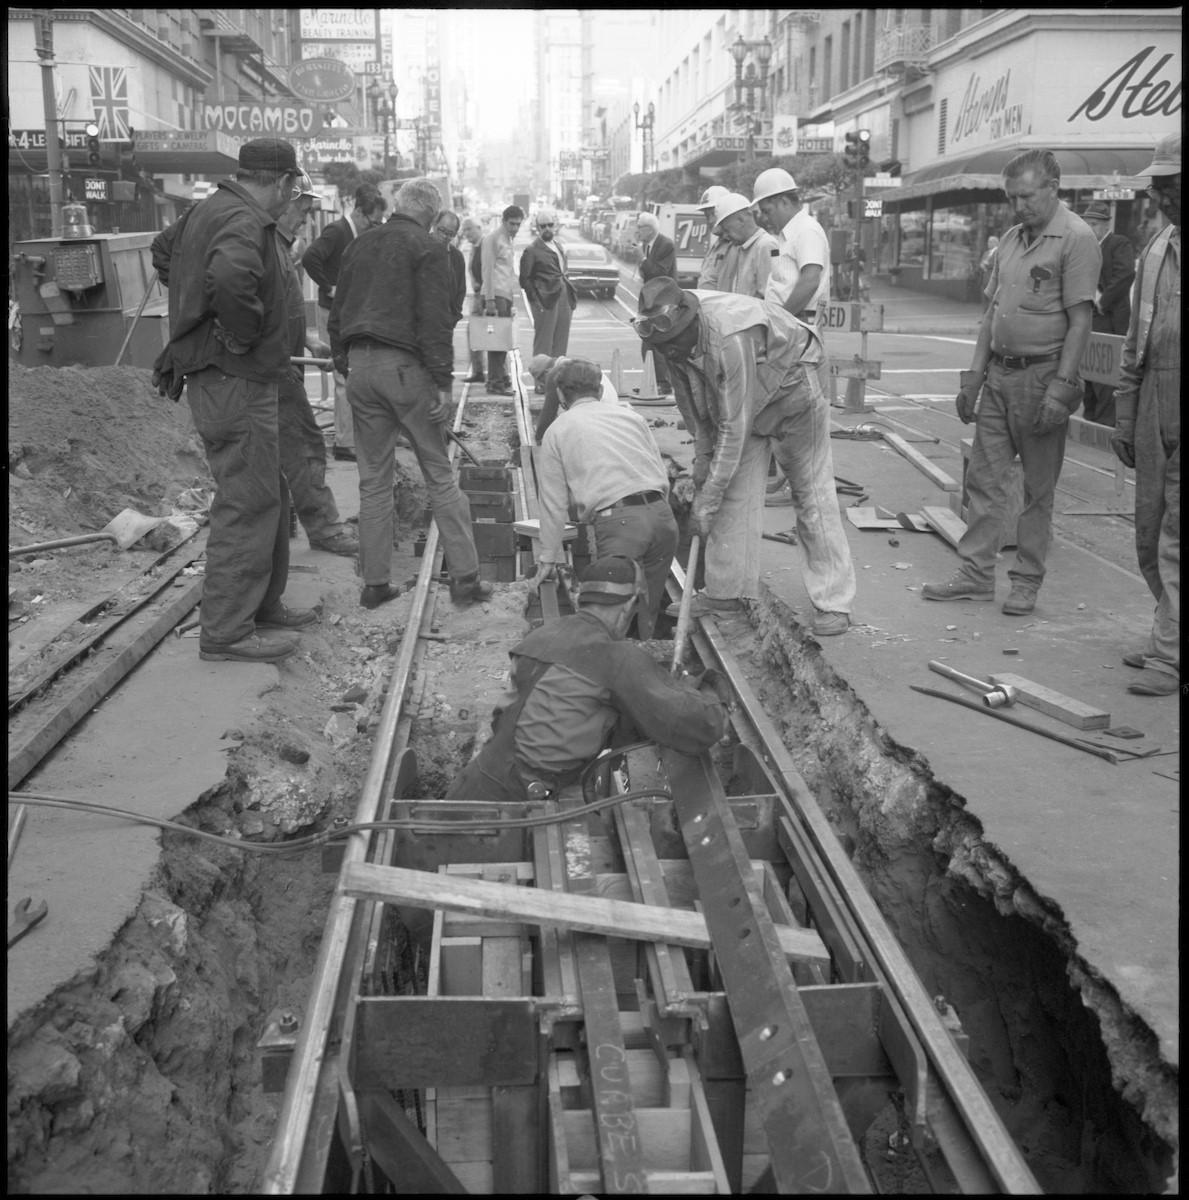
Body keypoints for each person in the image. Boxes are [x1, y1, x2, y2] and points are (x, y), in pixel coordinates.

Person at [152, 138, 315, 663]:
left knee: (268, 493)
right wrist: (236, 332)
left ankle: (259, 609)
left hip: (232, 376)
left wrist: (193, 308)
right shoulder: (244, 220)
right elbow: (228, 277)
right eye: (292, 188)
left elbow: (163, 251)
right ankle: (225, 631)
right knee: (247, 499)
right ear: (285, 182)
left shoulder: (209, 209)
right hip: (233, 376)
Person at [923, 148, 1100, 616]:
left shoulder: (1077, 239)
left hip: (1043, 377)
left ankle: (1026, 582)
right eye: (1011, 197)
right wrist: (973, 379)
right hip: (1001, 374)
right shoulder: (1010, 239)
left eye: (1026, 196)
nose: (1018, 206)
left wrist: (1062, 388)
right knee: (983, 480)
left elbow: (1080, 322)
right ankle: (976, 575)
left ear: (1052, 188)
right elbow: (990, 316)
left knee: (1037, 491)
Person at [634, 278, 855, 637]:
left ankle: (834, 602)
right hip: (746, 398)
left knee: (809, 492)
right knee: (731, 492)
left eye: (671, 344)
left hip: (794, 385)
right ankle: (725, 593)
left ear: (689, 324)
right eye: (660, 346)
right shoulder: (671, 344)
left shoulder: (730, 338)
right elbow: (698, 414)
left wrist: (708, 497)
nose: (667, 352)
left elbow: (734, 426)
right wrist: (702, 468)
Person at [443, 555, 728, 806]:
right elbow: (697, 726)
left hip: (473, 783)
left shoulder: (543, 635)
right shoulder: (616, 657)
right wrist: (712, 695)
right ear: (629, 605)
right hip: (513, 804)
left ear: (583, 598)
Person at [328, 177, 493, 611]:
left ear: (398, 205)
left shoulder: (360, 244)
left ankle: (375, 584)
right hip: (404, 370)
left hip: (361, 368)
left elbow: (339, 308)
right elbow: (435, 320)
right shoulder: (431, 250)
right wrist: (442, 382)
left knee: (374, 482)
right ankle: (466, 579)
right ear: (432, 215)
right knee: (439, 472)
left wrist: (346, 359)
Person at [534, 359, 677, 639]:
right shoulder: (631, 417)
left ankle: (614, 666)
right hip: (663, 516)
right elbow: (659, 469)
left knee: (611, 613)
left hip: (620, 523)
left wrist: (548, 557)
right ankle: (645, 656)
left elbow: (554, 504)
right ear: (599, 390)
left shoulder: (558, 431)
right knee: (646, 607)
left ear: (561, 395)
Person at [1110, 132, 1180, 697]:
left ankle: (1169, 654)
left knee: (1177, 536)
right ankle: (1169, 627)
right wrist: (1126, 414)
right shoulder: (1157, 250)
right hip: (1158, 398)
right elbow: (1137, 339)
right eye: (1158, 184)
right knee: (1149, 531)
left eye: (1169, 183)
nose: (1159, 194)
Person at [275, 173, 359, 557]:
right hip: (269, 373)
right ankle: (322, 527)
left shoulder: (279, 248)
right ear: (282, 201)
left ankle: (287, 521)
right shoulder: (260, 247)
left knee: (284, 449)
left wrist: (307, 341)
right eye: (304, 210)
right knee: (306, 445)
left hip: (283, 364)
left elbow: (282, 310)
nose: (307, 220)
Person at [302, 183, 387, 461]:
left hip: (352, 313)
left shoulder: (360, 235)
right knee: (342, 374)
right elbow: (310, 258)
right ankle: (344, 442)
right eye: (373, 221)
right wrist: (328, 287)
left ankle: (353, 436)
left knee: (353, 374)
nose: (375, 226)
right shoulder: (338, 231)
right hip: (333, 312)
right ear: (361, 213)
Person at [1079, 200, 1137, 426]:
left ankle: (1105, 424)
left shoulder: (1118, 243)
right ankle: (1090, 416)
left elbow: (1125, 275)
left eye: (1094, 223)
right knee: (1088, 370)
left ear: (1105, 225)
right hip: (1087, 317)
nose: (1090, 228)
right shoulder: (1083, 247)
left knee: (1106, 372)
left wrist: (1102, 301)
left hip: (1109, 318)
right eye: (1087, 223)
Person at [518, 208, 577, 374]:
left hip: (563, 296)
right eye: (542, 226)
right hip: (545, 299)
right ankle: (540, 379)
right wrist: (536, 302)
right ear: (537, 227)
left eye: (550, 225)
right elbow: (524, 280)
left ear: (555, 225)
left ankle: (557, 377)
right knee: (544, 342)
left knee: (561, 339)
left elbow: (563, 270)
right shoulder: (532, 250)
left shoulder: (558, 245)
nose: (547, 229)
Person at [477, 204, 524, 395]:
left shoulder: (507, 239)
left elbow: (508, 272)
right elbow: (487, 269)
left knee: (503, 342)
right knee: (496, 343)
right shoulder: (493, 239)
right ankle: (495, 383)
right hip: (495, 296)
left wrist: (511, 298)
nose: (515, 228)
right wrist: (489, 300)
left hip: (504, 296)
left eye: (518, 225)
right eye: (512, 224)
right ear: (504, 221)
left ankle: (501, 379)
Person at [529, 352, 619, 442]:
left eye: (542, 381)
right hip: (612, 412)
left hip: (598, 418)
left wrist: (538, 437)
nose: (543, 386)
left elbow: (548, 414)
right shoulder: (575, 364)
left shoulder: (555, 373)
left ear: (546, 372)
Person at [637, 211, 677, 395]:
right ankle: (651, 379)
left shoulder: (665, 245)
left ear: (650, 229)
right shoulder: (647, 245)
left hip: (662, 300)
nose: (638, 231)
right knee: (646, 340)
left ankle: (663, 382)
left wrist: (643, 259)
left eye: (640, 228)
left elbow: (659, 273)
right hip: (649, 300)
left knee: (658, 340)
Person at [712, 192, 780, 300]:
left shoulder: (765, 246)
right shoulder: (742, 248)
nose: (725, 235)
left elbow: (769, 296)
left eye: (727, 229)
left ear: (741, 220)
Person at [460, 216, 487, 384]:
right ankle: (478, 372)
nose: (466, 233)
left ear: (479, 227)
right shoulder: (474, 248)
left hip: (486, 297)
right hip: (477, 297)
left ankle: (501, 375)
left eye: (469, 229)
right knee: (474, 334)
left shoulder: (486, 246)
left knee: (492, 334)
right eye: (464, 229)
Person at [432, 209, 467, 326]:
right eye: (441, 230)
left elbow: (461, 290)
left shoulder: (456, 257)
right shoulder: (419, 247)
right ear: (434, 224)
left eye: (450, 234)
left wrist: (454, 316)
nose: (444, 236)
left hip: (446, 322)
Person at [695, 185, 731, 289]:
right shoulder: (717, 244)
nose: (710, 221)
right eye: (707, 216)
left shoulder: (736, 246)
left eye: (713, 214)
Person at [978, 236, 1000, 312]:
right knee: (984, 298)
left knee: (991, 298)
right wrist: (982, 265)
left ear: (996, 243)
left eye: (990, 242)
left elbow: (995, 264)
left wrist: (986, 264)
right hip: (984, 278)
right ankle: (984, 317)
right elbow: (981, 263)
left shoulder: (998, 252)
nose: (988, 243)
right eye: (988, 241)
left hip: (992, 278)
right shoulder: (986, 253)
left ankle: (990, 317)